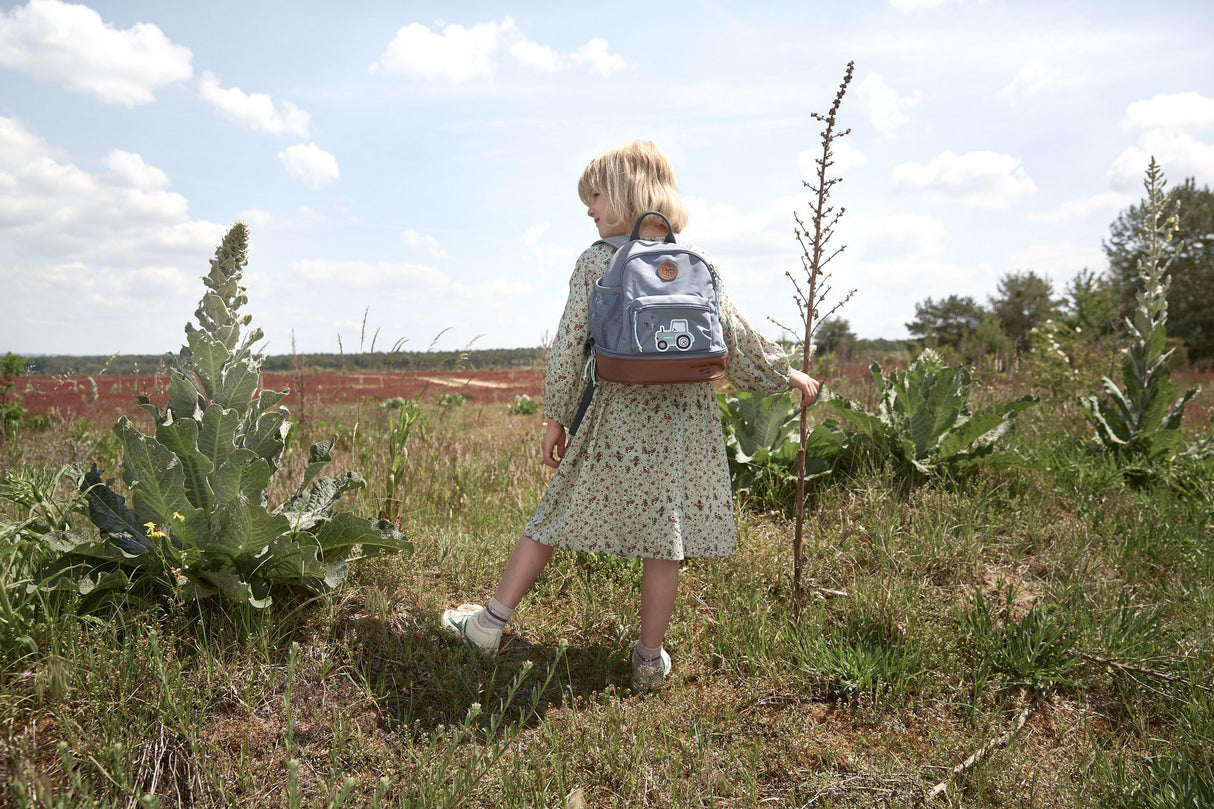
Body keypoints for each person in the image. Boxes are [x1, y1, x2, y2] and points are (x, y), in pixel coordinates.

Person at [442, 140, 819, 692]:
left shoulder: (598, 260)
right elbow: (733, 338)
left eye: (592, 196)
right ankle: (648, 660)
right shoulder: (696, 262)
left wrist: (556, 415)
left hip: (617, 414)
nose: (588, 209)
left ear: (623, 193)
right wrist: (786, 374)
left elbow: (572, 342)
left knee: (554, 512)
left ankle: (489, 624)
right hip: (684, 421)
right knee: (664, 535)